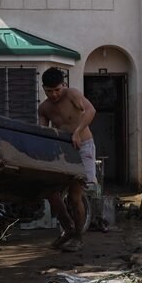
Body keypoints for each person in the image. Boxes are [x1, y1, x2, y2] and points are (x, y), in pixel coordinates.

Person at [38, 67, 97, 253]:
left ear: (63, 85)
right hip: (62, 150)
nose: (54, 94)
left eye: (57, 89)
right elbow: (44, 133)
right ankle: (68, 230)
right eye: (49, 91)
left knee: (74, 196)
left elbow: (90, 110)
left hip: (83, 146)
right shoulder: (44, 108)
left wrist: (78, 132)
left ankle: (78, 237)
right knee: (50, 192)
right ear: (44, 89)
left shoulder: (72, 94)